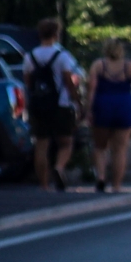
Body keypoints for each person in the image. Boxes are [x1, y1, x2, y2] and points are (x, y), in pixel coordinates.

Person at [23, 18, 85, 192]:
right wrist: (78, 102)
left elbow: (27, 81)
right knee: (65, 142)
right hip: (61, 104)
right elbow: (69, 81)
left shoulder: (30, 56)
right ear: (56, 34)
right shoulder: (62, 56)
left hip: (38, 104)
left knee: (41, 144)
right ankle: (59, 167)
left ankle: (44, 184)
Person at [85, 38, 131, 194]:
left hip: (103, 104)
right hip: (124, 105)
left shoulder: (98, 66)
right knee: (120, 149)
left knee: (100, 146)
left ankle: (101, 177)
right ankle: (116, 185)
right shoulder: (130, 67)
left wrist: (89, 110)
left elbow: (91, 89)